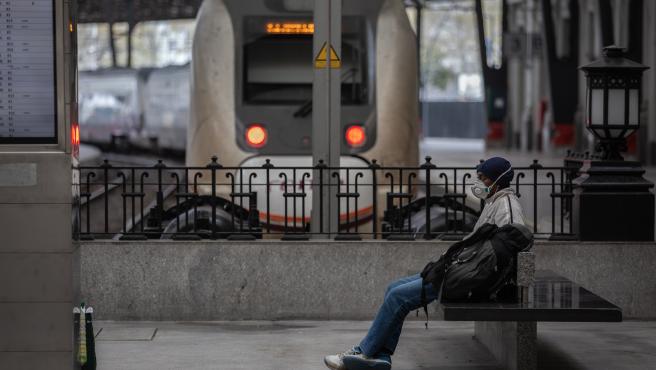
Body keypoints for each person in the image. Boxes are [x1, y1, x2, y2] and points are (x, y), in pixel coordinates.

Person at [323, 157, 526, 370]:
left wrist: (486, 281)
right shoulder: (494, 201)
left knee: (397, 296)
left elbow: (512, 249)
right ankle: (380, 357)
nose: (479, 182)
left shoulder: (507, 208)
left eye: (483, 178)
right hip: (461, 268)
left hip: (467, 278)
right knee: (394, 288)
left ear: (497, 180)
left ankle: (364, 352)